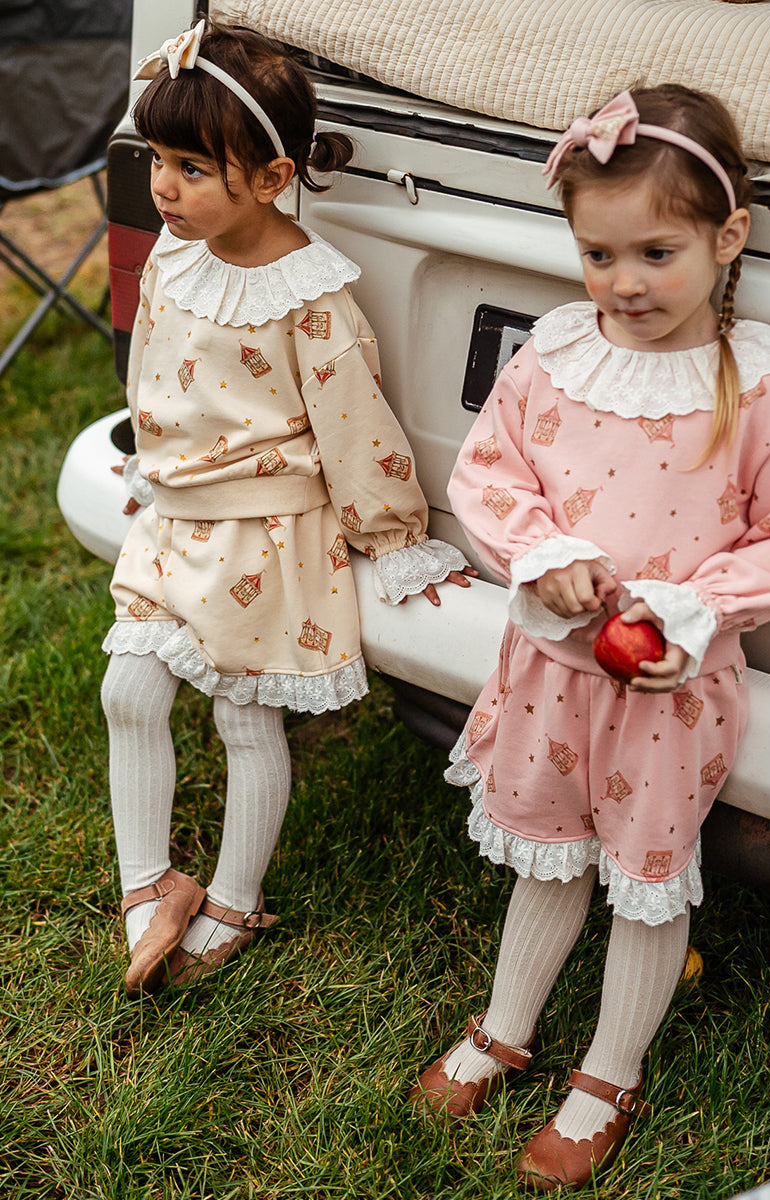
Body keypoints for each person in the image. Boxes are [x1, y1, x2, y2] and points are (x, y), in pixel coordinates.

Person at [411, 85, 770, 1190]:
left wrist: (691, 611)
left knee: (647, 878)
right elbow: (492, 472)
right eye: (598, 255)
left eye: (657, 253)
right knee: (548, 853)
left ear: (727, 237)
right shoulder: (557, 357)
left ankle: (608, 1073)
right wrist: (543, 554)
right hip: (550, 673)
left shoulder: (761, 392)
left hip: (667, 691)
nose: (624, 283)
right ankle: (507, 1025)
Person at [101, 19, 473, 999]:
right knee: (128, 690)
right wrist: (150, 456)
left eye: (191, 168)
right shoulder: (180, 253)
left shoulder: (310, 301)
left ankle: (234, 896)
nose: (163, 187)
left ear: (271, 179)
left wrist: (392, 539)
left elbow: (358, 429)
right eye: (157, 160)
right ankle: (150, 886)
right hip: (176, 516)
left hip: (264, 540)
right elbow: (153, 363)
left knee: (245, 717)